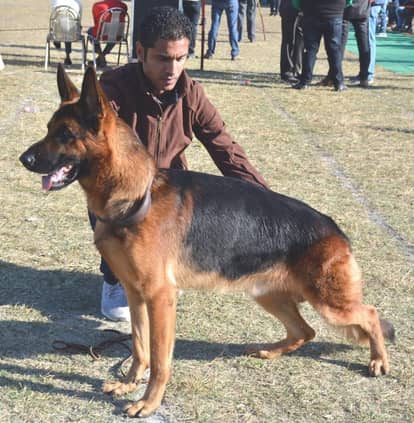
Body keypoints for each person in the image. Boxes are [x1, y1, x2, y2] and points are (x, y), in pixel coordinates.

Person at [93, 6, 268, 321]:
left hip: (169, 196)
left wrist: (266, 197)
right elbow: (96, 148)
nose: (172, 69)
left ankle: (161, 269)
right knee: (118, 207)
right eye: (163, 58)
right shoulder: (112, 89)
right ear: (140, 52)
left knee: (182, 211)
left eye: (180, 58)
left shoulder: (191, 93)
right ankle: (115, 279)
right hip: (121, 190)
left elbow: (224, 148)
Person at [291, 0, 352, 92]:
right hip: (334, 13)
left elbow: (296, 2)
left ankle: (304, 81)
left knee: (310, 49)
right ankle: (338, 82)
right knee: (334, 50)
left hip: (311, 13)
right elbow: (349, 2)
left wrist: (303, 8)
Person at [320, 0, 371, 88]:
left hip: (346, 9)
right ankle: (364, 77)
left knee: (340, 44)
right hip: (363, 8)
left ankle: (333, 76)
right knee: (364, 44)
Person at [88, 0, 128, 68]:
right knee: (114, 32)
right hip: (117, 35)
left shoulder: (97, 5)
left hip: (101, 34)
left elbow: (96, 23)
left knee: (90, 31)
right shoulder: (123, 6)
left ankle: (101, 56)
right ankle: (102, 56)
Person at [51, 0, 82, 66]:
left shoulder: (56, 1)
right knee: (70, 28)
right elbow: (79, 19)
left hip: (57, 31)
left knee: (62, 25)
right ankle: (67, 55)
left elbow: (53, 16)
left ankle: (57, 41)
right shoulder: (77, 2)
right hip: (73, 32)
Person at [279, 0, 303, 83]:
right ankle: (287, 70)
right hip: (290, 7)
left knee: (300, 41)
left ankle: (296, 69)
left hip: (302, 9)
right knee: (289, 40)